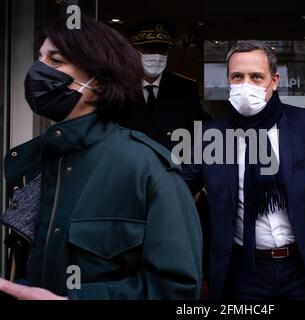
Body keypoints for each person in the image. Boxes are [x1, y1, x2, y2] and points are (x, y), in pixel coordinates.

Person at [0, 17, 202, 300]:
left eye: (55, 61)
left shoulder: (146, 168)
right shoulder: (33, 161)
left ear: (98, 82)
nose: (38, 70)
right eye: (39, 58)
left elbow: (175, 290)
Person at [182, 40, 305, 300]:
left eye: (256, 77)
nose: (245, 84)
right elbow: (176, 191)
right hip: (240, 273)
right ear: (228, 80)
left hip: (303, 267)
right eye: (237, 76)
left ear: (274, 81)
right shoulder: (209, 137)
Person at [121, 19, 206, 151]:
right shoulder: (118, 87)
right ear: (132, 51)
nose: (156, 56)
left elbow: (196, 138)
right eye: (148, 50)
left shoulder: (185, 88)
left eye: (162, 50)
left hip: (173, 167)